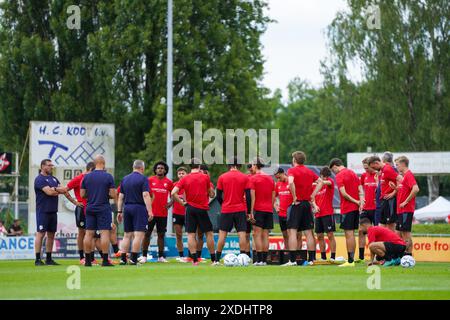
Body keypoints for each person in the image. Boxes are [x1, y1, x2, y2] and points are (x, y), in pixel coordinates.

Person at [172, 158, 217, 266]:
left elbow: (173, 192)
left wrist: (183, 203)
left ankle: (195, 260)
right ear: (199, 166)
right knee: (209, 233)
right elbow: (211, 194)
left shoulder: (185, 178)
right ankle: (214, 260)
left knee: (191, 235)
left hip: (190, 209)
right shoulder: (205, 177)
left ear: (189, 167)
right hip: (202, 209)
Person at [282, 151, 322, 267]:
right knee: (309, 232)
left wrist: (294, 196)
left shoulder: (292, 170)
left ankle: (293, 260)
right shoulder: (309, 171)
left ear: (294, 160)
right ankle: (312, 259)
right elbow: (320, 182)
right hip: (306, 204)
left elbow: (290, 182)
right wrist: (313, 195)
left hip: (296, 204)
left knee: (293, 232)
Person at [81, 155, 116, 267]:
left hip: (90, 207)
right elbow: (113, 194)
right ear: (103, 163)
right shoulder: (108, 176)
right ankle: (105, 260)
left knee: (88, 234)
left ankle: (87, 261)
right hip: (103, 207)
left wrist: (91, 195)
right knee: (104, 233)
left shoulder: (86, 177)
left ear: (95, 163)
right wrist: (105, 194)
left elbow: (82, 195)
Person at [116, 160, 153, 265]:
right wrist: (150, 211)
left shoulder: (125, 179)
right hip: (139, 208)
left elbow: (120, 197)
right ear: (142, 168)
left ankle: (123, 259)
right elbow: (146, 195)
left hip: (127, 207)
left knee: (127, 235)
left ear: (133, 167)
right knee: (138, 235)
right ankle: (133, 259)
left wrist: (119, 211)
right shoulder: (143, 179)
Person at [215, 157, 251, 263]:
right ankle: (243, 258)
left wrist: (224, 204)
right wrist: (248, 212)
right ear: (239, 165)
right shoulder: (245, 177)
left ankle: (216, 260)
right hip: (240, 209)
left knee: (222, 235)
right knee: (242, 234)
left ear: (229, 165)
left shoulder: (222, 177)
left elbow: (218, 196)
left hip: (226, 209)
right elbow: (248, 196)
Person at [329, 158, 364, 267]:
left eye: (333, 171)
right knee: (352, 233)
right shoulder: (352, 173)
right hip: (355, 208)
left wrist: (356, 201)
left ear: (335, 166)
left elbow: (343, 194)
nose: (334, 173)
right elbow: (360, 189)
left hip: (347, 208)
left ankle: (350, 261)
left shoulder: (340, 175)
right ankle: (351, 259)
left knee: (349, 234)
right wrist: (360, 202)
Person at [34, 159, 66, 266]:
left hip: (53, 211)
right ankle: (38, 259)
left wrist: (55, 189)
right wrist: (56, 190)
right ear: (43, 166)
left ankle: (48, 258)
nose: (51, 167)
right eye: (49, 165)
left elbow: (63, 189)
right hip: (43, 211)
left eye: (52, 165)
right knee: (41, 234)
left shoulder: (53, 178)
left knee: (51, 235)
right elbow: (49, 192)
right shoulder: (39, 179)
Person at [140, 161, 173, 263]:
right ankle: (144, 256)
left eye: (162, 168)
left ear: (165, 170)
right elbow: (143, 194)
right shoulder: (149, 180)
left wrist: (170, 203)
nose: (160, 169)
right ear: (155, 169)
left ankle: (161, 257)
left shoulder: (169, 182)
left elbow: (174, 194)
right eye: (158, 168)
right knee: (147, 234)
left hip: (163, 213)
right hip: (150, 213)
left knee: (161, 235)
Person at [62, 161, 95, 263]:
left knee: (91, 232)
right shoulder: (79, 178)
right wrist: (75, 202)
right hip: (81, 208)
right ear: (90, 170)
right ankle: (82, 257)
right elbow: (65, 189)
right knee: (82, 232)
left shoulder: (93, 179)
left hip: (92, 207)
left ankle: (91, 258)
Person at [249, 157, 275, 266]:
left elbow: (253, 198)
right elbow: (273, 196)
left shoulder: (253, 179)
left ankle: (259, 260)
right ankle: (264, 260)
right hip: (268, 210)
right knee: (265, 235)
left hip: (258, 209)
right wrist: (270, 207)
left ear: (255, 165)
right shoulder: (270, 179)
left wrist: (251, 212)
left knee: (257, 235)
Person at [394, 156, 419, 256]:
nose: (396, 167)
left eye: (397, 165)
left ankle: (408, 256)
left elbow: (416, 189)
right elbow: (404, 191)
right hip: (401, 210)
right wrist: (396, 189)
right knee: (400, 233)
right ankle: (403, 254)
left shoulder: (409, 174)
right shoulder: (404, 177)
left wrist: (405, 202)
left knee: (406, 233)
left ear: (403, 164)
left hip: (406, 210)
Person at [369, 154, 399, 231]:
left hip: (390, 201)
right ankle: (383, 242)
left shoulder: (387, 169)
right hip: (384, 201)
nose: (374, 169)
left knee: (390, 225)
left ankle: (392, 242)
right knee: (382, 224)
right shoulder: (382, 170)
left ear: (376, 163)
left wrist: (394, 192)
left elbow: (400, 179)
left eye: (373, 167)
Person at [314, 167, 336, 261]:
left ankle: (333, 257)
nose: (325, 179)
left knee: (330, 235)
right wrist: (315, 206)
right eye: (324, 177)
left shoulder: (329, 182)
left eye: (327, 177)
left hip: (327, 213)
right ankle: (323, 257)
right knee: (319, 236)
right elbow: (312, 198)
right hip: (318, 214)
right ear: (321, 176)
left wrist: (320, 181)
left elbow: (326, 182)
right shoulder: (315, 186)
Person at [358, 157, 378, 262]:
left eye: (367, 168)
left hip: (376, 209)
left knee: (374, 232)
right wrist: (361, 199)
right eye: (364, 168)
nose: (366, 170)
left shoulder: (378, 175)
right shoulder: (363, 176)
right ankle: (361, 257)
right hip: (366, 208)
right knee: (361, 231)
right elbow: (360, 188)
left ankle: (376, 256)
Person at [274, 167, 293, 250]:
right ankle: (287, 253)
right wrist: (275, 206)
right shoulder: (278, 184)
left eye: (279, 177)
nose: (278, 179)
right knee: (285, 235)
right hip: (281, 214)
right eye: (277, 178)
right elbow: (273, 197)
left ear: (283, 173)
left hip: (291, 213)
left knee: (291, 235)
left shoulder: (291, 182)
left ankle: (294, 254)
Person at [172, 167, 188, 261]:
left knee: (191, 234)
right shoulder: (175, 185)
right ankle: (181, 256)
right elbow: (172, 197)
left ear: (186, 174)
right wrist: (169, 204)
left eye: (183, 173)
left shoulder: (190, 184)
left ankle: (192, 255)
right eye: (179, 173)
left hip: (188, 213)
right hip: (177, 213)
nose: (181, 175)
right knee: (179, 235)